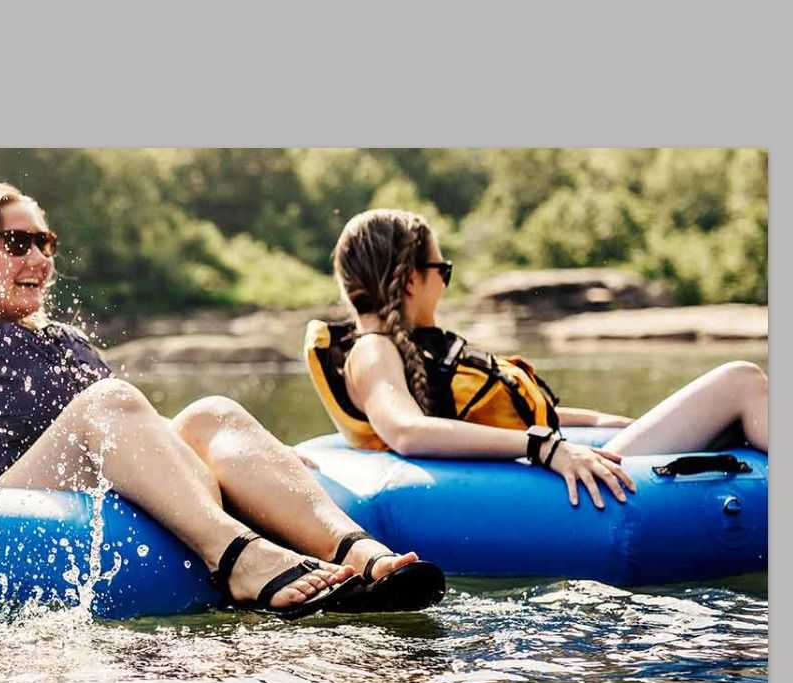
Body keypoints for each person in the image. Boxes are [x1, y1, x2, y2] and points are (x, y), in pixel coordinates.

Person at [0, 182, 445, 618]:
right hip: (6, 510)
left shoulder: (64, 342)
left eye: (46, 241)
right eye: (16, 241)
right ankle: (242, 560)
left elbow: (152, 443)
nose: (39, 257)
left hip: (107, 501)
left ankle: (363, 555)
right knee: (111, 402)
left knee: (211, 413)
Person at [312, 208, 768, 510]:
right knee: (741, 380)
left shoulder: (409, 349)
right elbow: (408, 431)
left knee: (729, 412)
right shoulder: (374, 349)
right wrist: (543, 446)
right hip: (546, 488)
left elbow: (482, 417)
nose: (446, 283)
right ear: (412, 280)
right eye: (442, 271)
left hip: (556, 469)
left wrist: (603, 420)